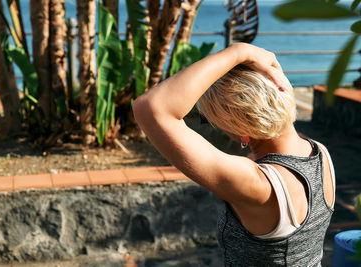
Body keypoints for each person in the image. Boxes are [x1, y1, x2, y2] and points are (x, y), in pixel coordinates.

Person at [132, 43, 335, 266]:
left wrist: (239, 51)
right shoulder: (320, 153)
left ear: (241, 130)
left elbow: (151, 108)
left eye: (212, 120)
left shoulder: (257, 184)